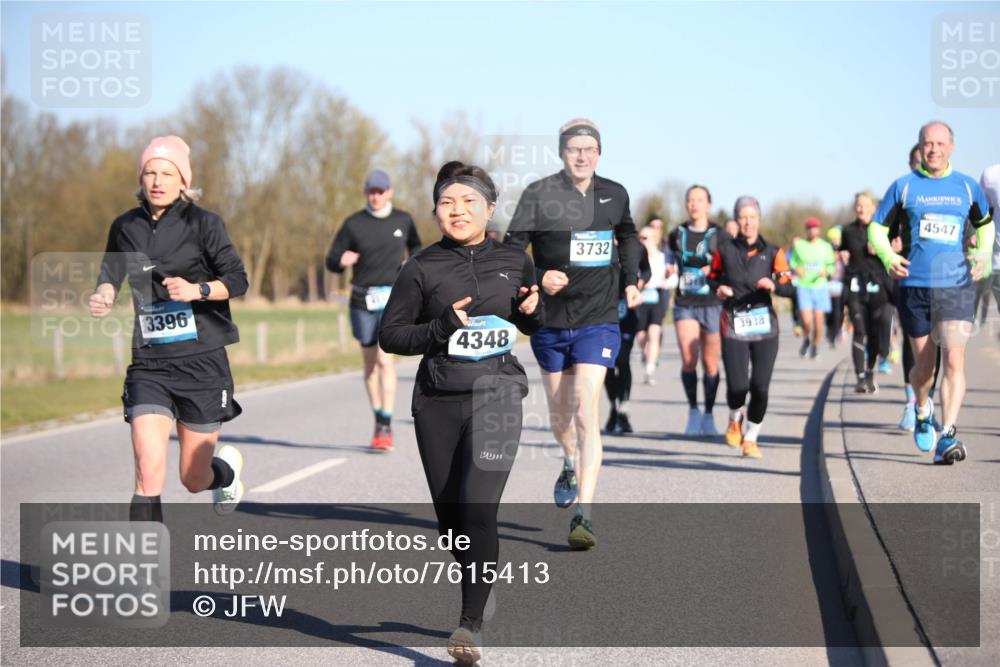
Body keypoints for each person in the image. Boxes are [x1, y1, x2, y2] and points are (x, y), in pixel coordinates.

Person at [379, 161, 542, 664]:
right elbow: (391, 336)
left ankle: (468, 626)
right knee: (452, 521)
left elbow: (534, 322)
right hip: (437, 401)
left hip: (498, 393)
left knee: (477, 507)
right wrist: (441, 328)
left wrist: (535, 312)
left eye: (468, 201)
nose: (458, 210)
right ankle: (481, 576)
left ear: (490, 209)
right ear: (435, 211)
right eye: (447, 202)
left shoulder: (516, 259)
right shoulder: (421, 268)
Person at [89, 135, 248, 520]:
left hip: (202, 362)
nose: (157, 180)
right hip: (150, 363)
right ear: (140, 179)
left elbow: (238, 279)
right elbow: (111, 270)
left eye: (167, 173)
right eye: (150, 172)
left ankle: (224, 475)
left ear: (183, 182)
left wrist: (199, 289)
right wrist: (105, 291)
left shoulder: (205, 223)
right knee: (147, 474)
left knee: (192, 479)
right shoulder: (125, 225)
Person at [504, 118, 642, 549]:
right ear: (562, 154)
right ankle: (567, 461)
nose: (582, 156)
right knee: (561, 418)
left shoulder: (614, 193)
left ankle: (584, 513)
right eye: (573, 149)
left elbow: (629, 235)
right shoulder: (539, 194)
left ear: (599, 154)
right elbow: (511, 248)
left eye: (590, 149)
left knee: (585, 411)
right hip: (549, 321)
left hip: (598, 318)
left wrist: (633, 278)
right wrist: (539, 275)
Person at [868, 121, 994, 464]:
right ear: (920, 148)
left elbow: (985, 224)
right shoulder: (904, 187)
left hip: (955, 286)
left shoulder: (967, 188)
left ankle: (948, 433)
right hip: (915, 286)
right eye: (928, 144)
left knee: (954, 358)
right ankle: (922, 408)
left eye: (940, 143)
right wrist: (889, 256)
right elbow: (877, 228)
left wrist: (982, 254)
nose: (934, 149)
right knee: (924, 369)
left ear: (951, 147)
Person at [326, 169, 422, 451]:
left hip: (393, 299)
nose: (376, 196)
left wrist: (412, 262)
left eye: (381, 191)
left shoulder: (403, 220)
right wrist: (341, 261)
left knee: (384, 360)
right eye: (371, 191)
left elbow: (417, 247)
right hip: (361, 300)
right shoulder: (353, 224)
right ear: (366, 192)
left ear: (390, 191)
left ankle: (386, 423)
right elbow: (331, 260)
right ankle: (378, 416)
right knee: (369, 364)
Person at [709, 196, 795, 459]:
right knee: (737, 386)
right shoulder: (723, 250)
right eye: (743, 217)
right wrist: (719, 288)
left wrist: (775, 286)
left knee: (760, 387)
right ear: (737, 220)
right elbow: (711, 277)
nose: (747, 222)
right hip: (734, 324)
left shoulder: (773, 250)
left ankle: (752, 437)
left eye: (752, 217)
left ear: (759, 219)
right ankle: (735, 417)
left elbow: (790, 287)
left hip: (764, 327)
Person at [667, 185, 723, 436]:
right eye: (690, 200)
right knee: (690, 359)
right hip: (685, 304)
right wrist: (668, 271)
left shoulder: (719, 235)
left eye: (699, 200)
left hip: (712, 303)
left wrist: (712, 272)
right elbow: (669, 260)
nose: (694, 204)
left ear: (708, 204)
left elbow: (728, 266)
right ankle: (693, 411)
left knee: (710, 363)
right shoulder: (676, 234)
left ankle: (709, 414)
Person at [840, 191, 894, 393]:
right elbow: (844, 251)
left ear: (873, 207)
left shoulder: (883, 230)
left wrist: (882, 249)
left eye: (865, 205)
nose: (861, 209)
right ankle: (860, 377)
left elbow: (894, 254)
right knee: (859, 331)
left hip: (878, 287)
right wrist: (843, 255)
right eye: (858, 205)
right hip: (856, 286)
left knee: (873, 333)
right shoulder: (848, 230)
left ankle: (870, 372)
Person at [604, 244, 651, 434]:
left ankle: (623, 408)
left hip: (627, 313)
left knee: (622, 359)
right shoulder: (600, 242)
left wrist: (639, 283)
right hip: (602, 312)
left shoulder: (636, 247)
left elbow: (647, 270)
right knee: (606, 364)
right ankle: (614, 407)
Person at [789, 217, 836, 359]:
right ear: (807, 230)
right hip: (804, 286)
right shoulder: (800, 246)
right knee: (806, 320)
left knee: (818, 321)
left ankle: (815, 345)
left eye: (815, 228)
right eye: (810, 228)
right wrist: (797, 269)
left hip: (820, 287)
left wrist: (826, 272)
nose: (813, 230)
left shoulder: (825, 247)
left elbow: (831, 266)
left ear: (819, 230)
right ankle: (806, 339)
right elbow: (792, 262)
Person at [637, 224, 673, 385]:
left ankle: (649, 370)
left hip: (657, 296)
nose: (642, 240)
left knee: (654, 333)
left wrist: (667, 281)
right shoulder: (635, 257)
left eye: (646, 237)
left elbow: (673, 277)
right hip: (640, 299)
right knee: (641, 336)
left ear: (654, 240)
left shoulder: (662, 257)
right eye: (640, 237)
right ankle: (646, 355)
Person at [825, 226, 847, 348]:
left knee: (839, 312)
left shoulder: (844, 251)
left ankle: (836, 331)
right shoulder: (826, 252)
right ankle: (830, 331)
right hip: (828, 285)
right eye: (832, 240)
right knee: (829, 313)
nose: (835, 242)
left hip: (840, 285)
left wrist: (844, 259)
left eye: (837, 240)